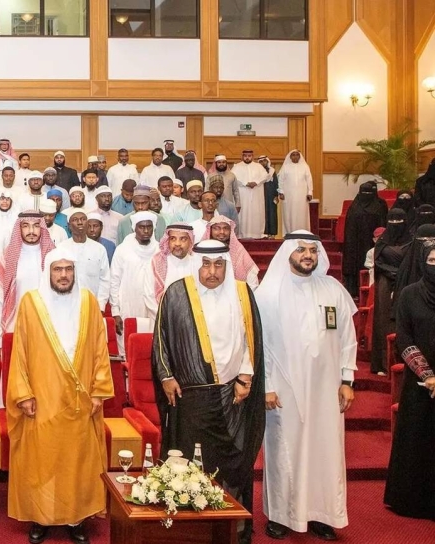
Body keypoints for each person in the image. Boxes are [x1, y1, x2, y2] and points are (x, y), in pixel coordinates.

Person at [152, 240, 265, 544]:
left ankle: (230, 530)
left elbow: (251, 339)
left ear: (227, 265)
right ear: (196, 264)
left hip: (231, 397)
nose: (211, 271)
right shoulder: (176, 293)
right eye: (205, 264)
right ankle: (187, 532)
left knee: (232, 462)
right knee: (188, 463)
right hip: (190, 399)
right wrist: (166, 376)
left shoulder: (242, 293)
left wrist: (246, 376)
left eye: (218, 265)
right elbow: (160, 338)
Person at [7, 247, 114, 543]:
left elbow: (100, 349)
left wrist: (99, 391)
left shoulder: (89, 302)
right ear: (48, 272)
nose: (63, 275)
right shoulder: (31, 303)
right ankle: (40, 517)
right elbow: (20, 351)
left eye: (68, 269)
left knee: (77, 459)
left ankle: (76, 518)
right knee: (42, 458)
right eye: (58, 270)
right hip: (43, 397)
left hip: (81, 400)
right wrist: (23, 394)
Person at [258, 232, 356, 541]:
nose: (308, 255)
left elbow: (348, 338)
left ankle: (322, 514)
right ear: (288, 253)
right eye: (301, 249)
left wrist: (347, 379)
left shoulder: (333, 289)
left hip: (326, 389)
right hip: (284, 389)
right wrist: (266, 385)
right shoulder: (268, 294)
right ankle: (280, 515)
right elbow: (261, 346)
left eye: (313, 250)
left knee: (325, 451)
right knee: (284, 452)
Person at [385, 235, 435, 521]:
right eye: (432, 260)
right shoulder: (409, 294)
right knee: (416, 439)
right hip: (419, 385)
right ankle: (412, 501)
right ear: (422, 262)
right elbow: (404, 339)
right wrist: (428, 376)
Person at [0, 212, 56, 356]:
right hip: (16, 328)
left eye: (36, 226)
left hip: (49, 328)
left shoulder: (53, 257)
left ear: (42, 228)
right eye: (26, 226)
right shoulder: (8, 258)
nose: (31, 231)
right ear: (19, 228)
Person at [110, 211, 160, 352]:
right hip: (128, 305)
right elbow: (114, 281)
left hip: (153, 306)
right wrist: (115, 311)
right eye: (141, 227)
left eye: (149, 227)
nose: (146, 231)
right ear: (134, 228)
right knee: (127, 344)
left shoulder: (159, 250)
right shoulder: (122, 250)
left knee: (151, 344)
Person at [370, 210, 411, 374]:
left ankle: (403, 363)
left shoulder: (412, 241)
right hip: (385, 284)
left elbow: (413, 262)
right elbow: (378, 262)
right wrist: (392, 273)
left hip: (406, 282)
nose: (395, 225)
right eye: (392, 222)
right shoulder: (382, 241)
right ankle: (383, 363)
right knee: (383, 320)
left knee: (403, 320)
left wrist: (401, 274)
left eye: (399, 221)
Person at [342, 181, 388, 294]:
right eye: (364, 192)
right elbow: (349, 229)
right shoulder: (354, 207)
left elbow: (383, 225)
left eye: (369, 193)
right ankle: (354, 290)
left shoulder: (380, 206)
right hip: (355, 244)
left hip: (373, 242)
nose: (366, 195)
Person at [58, 209, 110, 307]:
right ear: (69, 226)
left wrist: (101, 305)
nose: (80, 222)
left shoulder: (99, 249)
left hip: (93, 304)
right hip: (67, 304)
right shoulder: (61, 248)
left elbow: (105, 279)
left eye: (83, 219)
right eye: (75, 220)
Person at [143, 224, 194, 319]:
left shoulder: (197, 264)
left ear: (190, 241)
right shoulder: (156, 263)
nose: (177, 243)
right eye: (173, 239)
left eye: (183, 239)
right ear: (168, 241)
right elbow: (149, 296)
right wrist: (165, 319)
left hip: (191, 322)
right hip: (161, 320)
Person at [203, 216, 261, 287]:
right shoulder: (201, 250)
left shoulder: (238, 251)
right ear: (210, 230)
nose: (222, 232)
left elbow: (252, 279)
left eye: (226, 228)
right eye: (217, 228)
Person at [232, 150, 269, 239]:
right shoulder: (237, 167)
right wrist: (245, 183)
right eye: (245, 156)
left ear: (252, 156)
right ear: (242, 156)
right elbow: (234, 177)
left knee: (257, 213)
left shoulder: (259, 166)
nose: (247, 157)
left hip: (256, 195)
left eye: (249, 156)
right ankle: (242, 234)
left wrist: (256, 182)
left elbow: (265, 176)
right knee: (243, 213)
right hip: (243, 195)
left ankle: (257, 234)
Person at [259, 156, 279, 237]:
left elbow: (276, 183)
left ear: (267, 161)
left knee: (271, 213)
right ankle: (263, 233)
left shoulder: (272, 171)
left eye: (264, 161)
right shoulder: (257, 171)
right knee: (261, 213)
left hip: (271, 196)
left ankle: (272, 233)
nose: (263, 163)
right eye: (261, 161)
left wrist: (276, 195)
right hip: (260, 195)